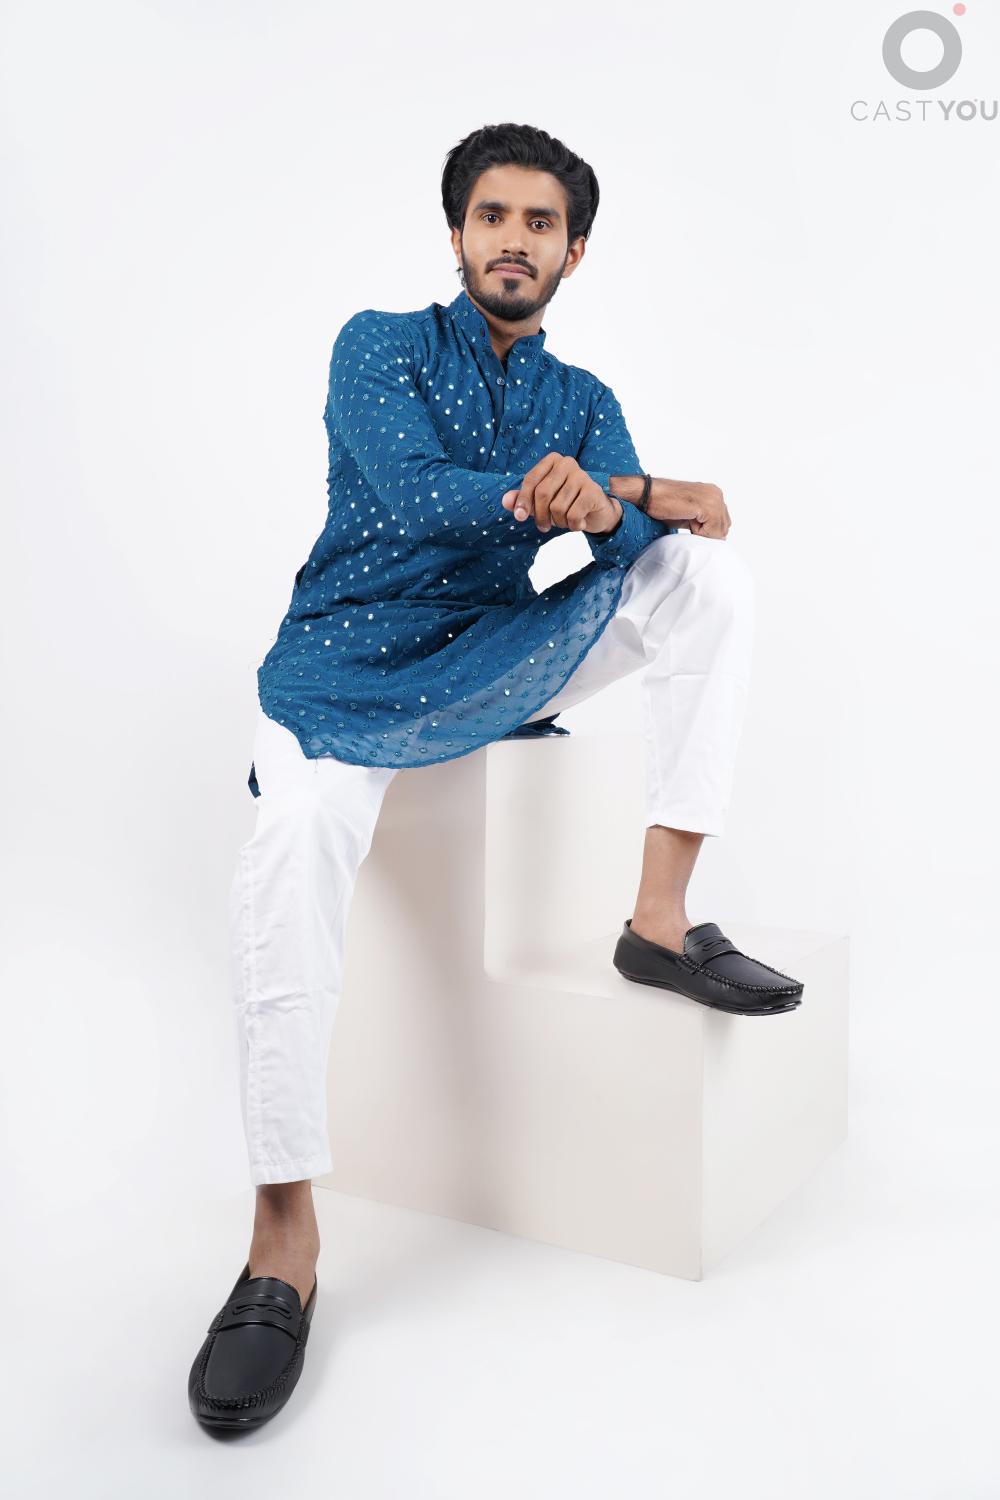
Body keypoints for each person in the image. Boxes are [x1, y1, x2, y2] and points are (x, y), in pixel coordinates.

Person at [188, 121, 804, 1431]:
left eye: (540, 222)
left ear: (574, 252)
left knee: (706, 577)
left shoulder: (581, 397)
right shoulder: (377, 346)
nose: (513, 239)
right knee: (289, 855)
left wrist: (618, 504)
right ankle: (281, 1238)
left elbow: (630, 544)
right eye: (492, 216)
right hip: (343, 673)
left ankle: (659, 917)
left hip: (494, 657)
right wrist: (622, 486)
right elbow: (418, 496)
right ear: (457, 234)